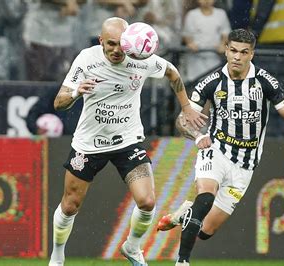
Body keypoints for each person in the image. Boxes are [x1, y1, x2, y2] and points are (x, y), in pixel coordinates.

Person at [48, 17, 207, 266]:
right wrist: (78, 91)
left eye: (121, 44)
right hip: (90, 143)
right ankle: (57, 256)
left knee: (147, 202)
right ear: (101, 41)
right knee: (70, 206)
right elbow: (59, 102)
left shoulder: (140, 58)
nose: (116, 50)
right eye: (110, 44)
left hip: (128, 141)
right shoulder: (87, 59)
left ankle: (131, 247)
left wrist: (186, 107)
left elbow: (172, 72)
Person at [156, 29, 284, 266]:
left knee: (206, 230)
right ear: (226, 50)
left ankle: (186, 213)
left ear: (252, 54)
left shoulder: (265, 82)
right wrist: (197, 136)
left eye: (243, 52)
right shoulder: (211, 82)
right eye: (233, 50)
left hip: (245, 165)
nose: (237, 57)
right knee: (205, 199)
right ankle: (182, 262)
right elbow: (182, 120)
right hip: (215, 151)